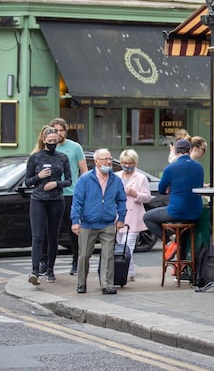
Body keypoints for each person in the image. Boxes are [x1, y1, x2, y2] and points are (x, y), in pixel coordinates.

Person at [70, 148, 126, 295]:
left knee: (108, 255)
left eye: (109, 159)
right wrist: (75, 221)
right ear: (96, 162)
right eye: (104, 159)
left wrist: (121, 219)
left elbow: (121, 200)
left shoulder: (116, 180)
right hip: (88, 223)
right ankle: (81, 283)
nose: (108, 162)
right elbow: (77, 202)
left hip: (107, 223)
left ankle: (107, 285)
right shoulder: (85, 179)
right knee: (84, 256)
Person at [24, 125, 72, 285]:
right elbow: (27, 182)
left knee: (53, 237)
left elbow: (69, 181)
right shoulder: (35, 157)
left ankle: (50, 269)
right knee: (38, 237)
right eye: (50, 141)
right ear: (44, 140)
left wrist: (56, 184)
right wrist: (39, 176)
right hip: (38, 200)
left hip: (56, 201)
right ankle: (35, 271)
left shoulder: (62, 157)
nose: (52, 143)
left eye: (55, 141)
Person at [144, 138, 204, 244]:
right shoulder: (199, 167)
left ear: (175, 151)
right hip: (196, 212)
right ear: (190, 151)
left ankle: (169, 243)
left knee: (147, 217)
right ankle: (179, 246)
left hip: (177, 211)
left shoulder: (170, 168)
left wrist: (171, 188)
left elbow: (161, 190)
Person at [49, 118, 88, 276]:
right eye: (55, 130)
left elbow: (84, 171)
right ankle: (48, 265)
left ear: (66, 131)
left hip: (71, 194)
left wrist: (85, 192)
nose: (58, 133)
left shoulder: (75, 147)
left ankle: (75, 261)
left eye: (61, 130)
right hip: (52, 194)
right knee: (52, 231)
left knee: (74, 230)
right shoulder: (47, 147)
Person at [116, 149, 151, 282]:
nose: (127, 165)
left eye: (130, 163)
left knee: (127, 246)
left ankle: (125, 273)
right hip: (118, 216)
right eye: (124, 162)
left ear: (135, 163)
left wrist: (134, 193)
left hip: (134, 216)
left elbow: (147, 197)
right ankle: (129, 272)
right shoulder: (116, 176)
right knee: (120, 247)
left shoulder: (141, 177)